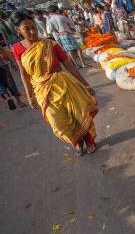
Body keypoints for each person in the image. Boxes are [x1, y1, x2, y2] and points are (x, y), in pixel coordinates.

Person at [12, 10, 98, 156]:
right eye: (27, 28)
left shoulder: (50, 43)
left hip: (63, 84)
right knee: (58, 121)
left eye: (34, 27)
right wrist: (30, 96)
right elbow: (24, 73)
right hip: (42, 90)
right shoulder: (17, 49)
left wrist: (85, 83)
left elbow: (68, 64)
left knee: (77, 113)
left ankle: (88, 140)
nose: (33, 31)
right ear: (18, 30)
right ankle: (76, 141)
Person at [0, 45, 25, 109]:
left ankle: (8, 98)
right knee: (10, 84)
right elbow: (4, 53)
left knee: (1, 85)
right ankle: (19, 102)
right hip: (3, 67)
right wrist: (12, 62)